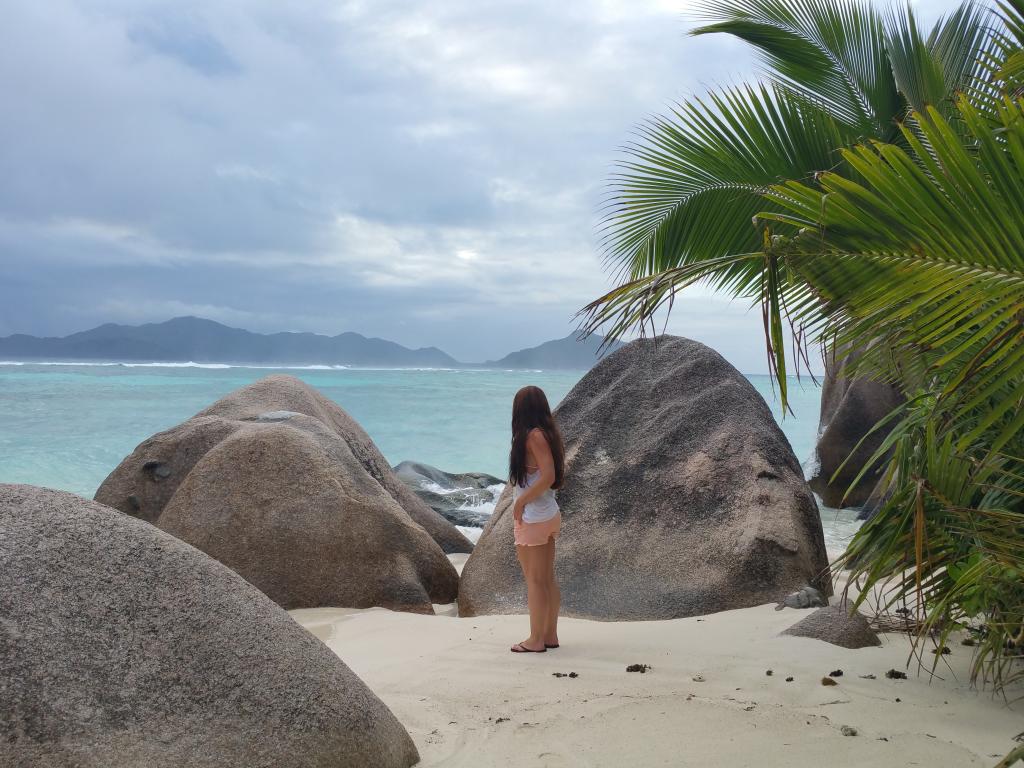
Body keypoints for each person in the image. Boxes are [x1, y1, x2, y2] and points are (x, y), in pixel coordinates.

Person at [507, 385, 565, 654]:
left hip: (535, 519)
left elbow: (549, 476)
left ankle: (535, 639)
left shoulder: (532, 436)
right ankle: (549, 635)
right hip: (548, 515)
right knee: (546, 579)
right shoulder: (547, 434)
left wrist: (520, 501)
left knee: (535, 581)